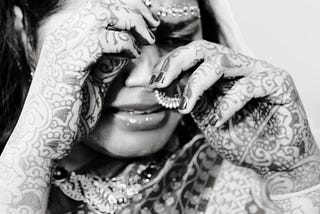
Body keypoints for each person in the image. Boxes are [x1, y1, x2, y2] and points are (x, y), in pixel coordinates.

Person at [0, 0, 319, 213]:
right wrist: (32, 153)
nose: (146, 76)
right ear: (27, 36)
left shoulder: (244, 175)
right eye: (111, 39)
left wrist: (299, 176)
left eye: (176, 39)